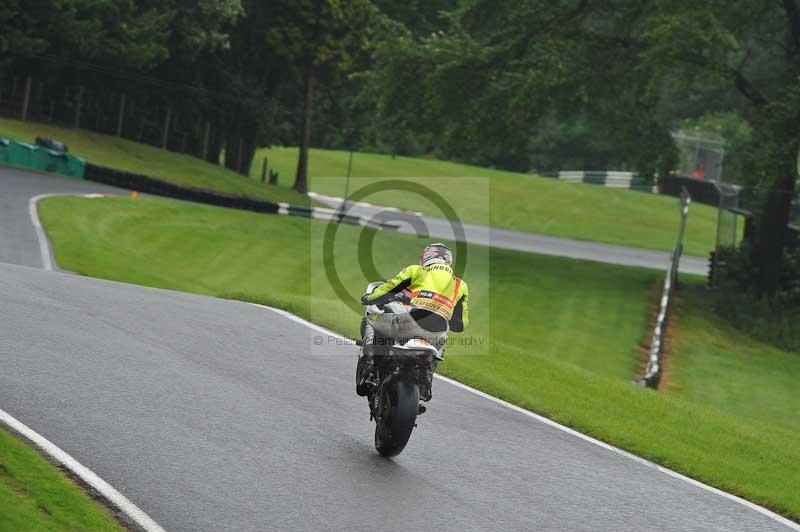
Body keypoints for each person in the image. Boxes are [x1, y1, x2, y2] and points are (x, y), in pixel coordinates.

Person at [356, 243, 469, 402]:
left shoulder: (416, 270)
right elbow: (460, 324)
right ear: (449, 261)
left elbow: (389, 288)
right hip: (438, 334)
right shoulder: (460, 284)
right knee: (443, 341)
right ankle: (427, 379)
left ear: (426, 257)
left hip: (410, 323)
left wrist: (369, 298)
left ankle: (368, 363)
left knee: (371, 317)